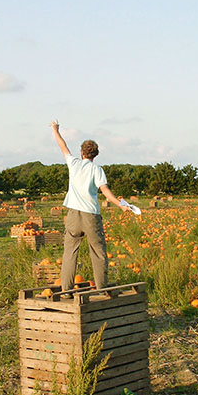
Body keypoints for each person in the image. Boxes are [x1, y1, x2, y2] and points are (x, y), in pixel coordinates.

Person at [50, 120, 129, 291]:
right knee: (98, 253)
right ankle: (101, 289)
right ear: (95, 155)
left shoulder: (73, 163)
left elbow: (63, 146)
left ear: (81, 152)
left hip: (73, 215)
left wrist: (55, 130)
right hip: (90, 215)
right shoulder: (97, 170)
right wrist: (122, 204)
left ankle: (66, 291)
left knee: (69, 253)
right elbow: (106, 192)